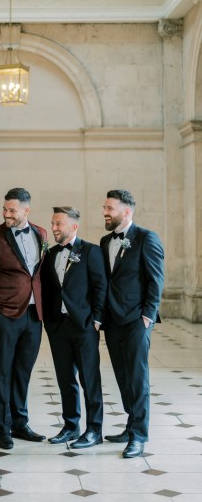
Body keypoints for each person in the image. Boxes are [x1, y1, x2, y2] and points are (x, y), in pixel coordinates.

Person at [0, 187, 48, 450]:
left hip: (34, 316)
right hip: (6, 316)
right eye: (5, 209)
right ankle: (2, 427)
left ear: (26, 210)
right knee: (3, 373)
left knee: (23, 373)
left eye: (12, 210)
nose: (7, 214)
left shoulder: (41, 233)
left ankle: (20, 423)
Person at [100, 189, 164, 458]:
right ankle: (130, 424)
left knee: (138, 379)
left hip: (137, 320)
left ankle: (139, 435)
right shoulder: (105, 242)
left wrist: (147, 317)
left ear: (126, 212)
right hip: (113, 321)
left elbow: (156, 279)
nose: (105, 212)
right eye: (104, 208)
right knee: (123, 376)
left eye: (110, 208)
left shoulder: (146, 238)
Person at [42, 206, 107, 448]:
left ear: (74, 226)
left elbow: (101, 287)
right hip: (58, 327)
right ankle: (70, 426)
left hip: (84, 325)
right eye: (53, 223)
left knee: (89, 379)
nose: (54, 228)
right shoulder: (49, 255)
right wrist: (49, 322)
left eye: (59, 223)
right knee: (65, 378)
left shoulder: (91, 252)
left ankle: (94, 430)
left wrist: (97, 320)